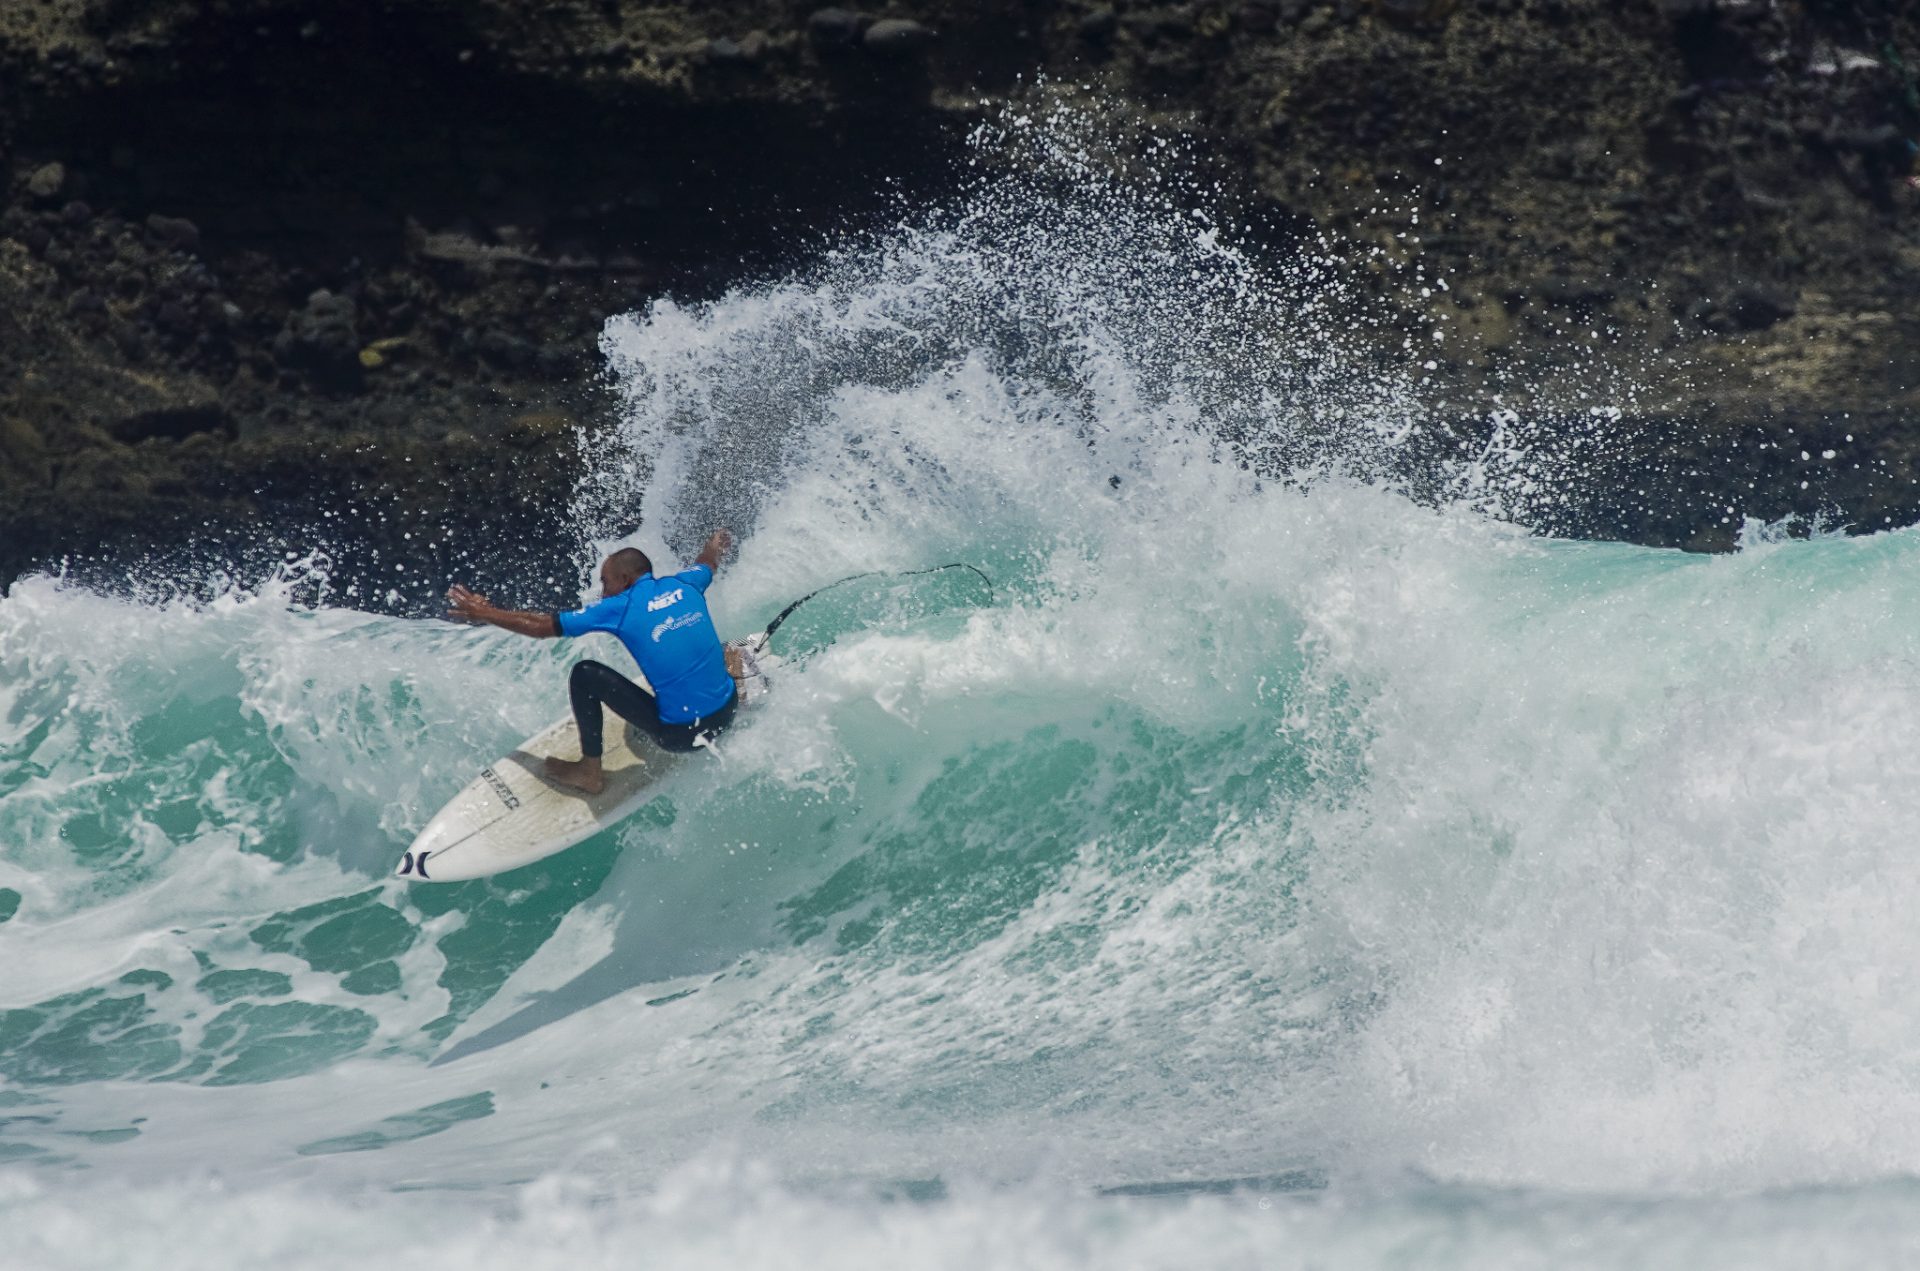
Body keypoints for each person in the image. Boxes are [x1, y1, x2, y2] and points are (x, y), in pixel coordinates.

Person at [445, 528, 738, 795]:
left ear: (625, 580)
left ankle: (589, 772)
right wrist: (714, 544)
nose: (602, 591)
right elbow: (707, 562)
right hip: (728, 712)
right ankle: (735, 692)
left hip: (683, 735)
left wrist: (486, 613)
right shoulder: (687, 582)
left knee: (585, 674)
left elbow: (541, 625)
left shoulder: (619, 606)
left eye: (605, 582)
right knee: (704, 645)